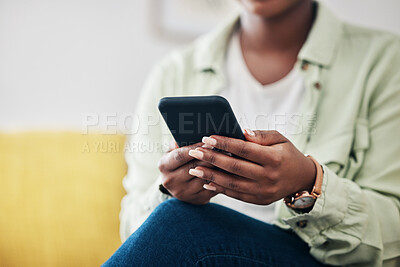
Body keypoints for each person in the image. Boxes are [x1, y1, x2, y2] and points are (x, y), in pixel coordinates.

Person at [104, 0, 400, 266]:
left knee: (178, 222)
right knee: (174, 217)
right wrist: (167, 192)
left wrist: (309, 184)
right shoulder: (173, 73)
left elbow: (393, 237)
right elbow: (134, 234)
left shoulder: (385, 63)